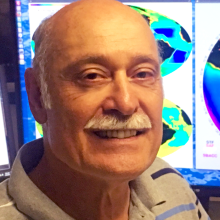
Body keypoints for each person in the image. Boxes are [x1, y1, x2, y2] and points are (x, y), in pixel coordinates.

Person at [0, 0, 210, 219]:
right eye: (92, 76)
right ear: (38, 96)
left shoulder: (169, 183)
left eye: (142, 74)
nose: (126, 104)